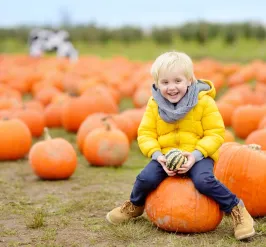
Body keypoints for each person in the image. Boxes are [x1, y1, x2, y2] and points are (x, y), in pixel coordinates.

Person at [106, 51, 255, 240]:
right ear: (157, 84)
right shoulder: (154, 104)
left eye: (177, 81)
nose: (171, 88)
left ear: (189, 80)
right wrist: (157, 155)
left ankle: (237, 210)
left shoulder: (204, 102)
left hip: (198, 154)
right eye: (165, 82)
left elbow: (215, 133)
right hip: (165, 155)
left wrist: (195, 155)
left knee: (203, 180)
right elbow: (145, 134)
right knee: (145, 178)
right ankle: (135, 205)